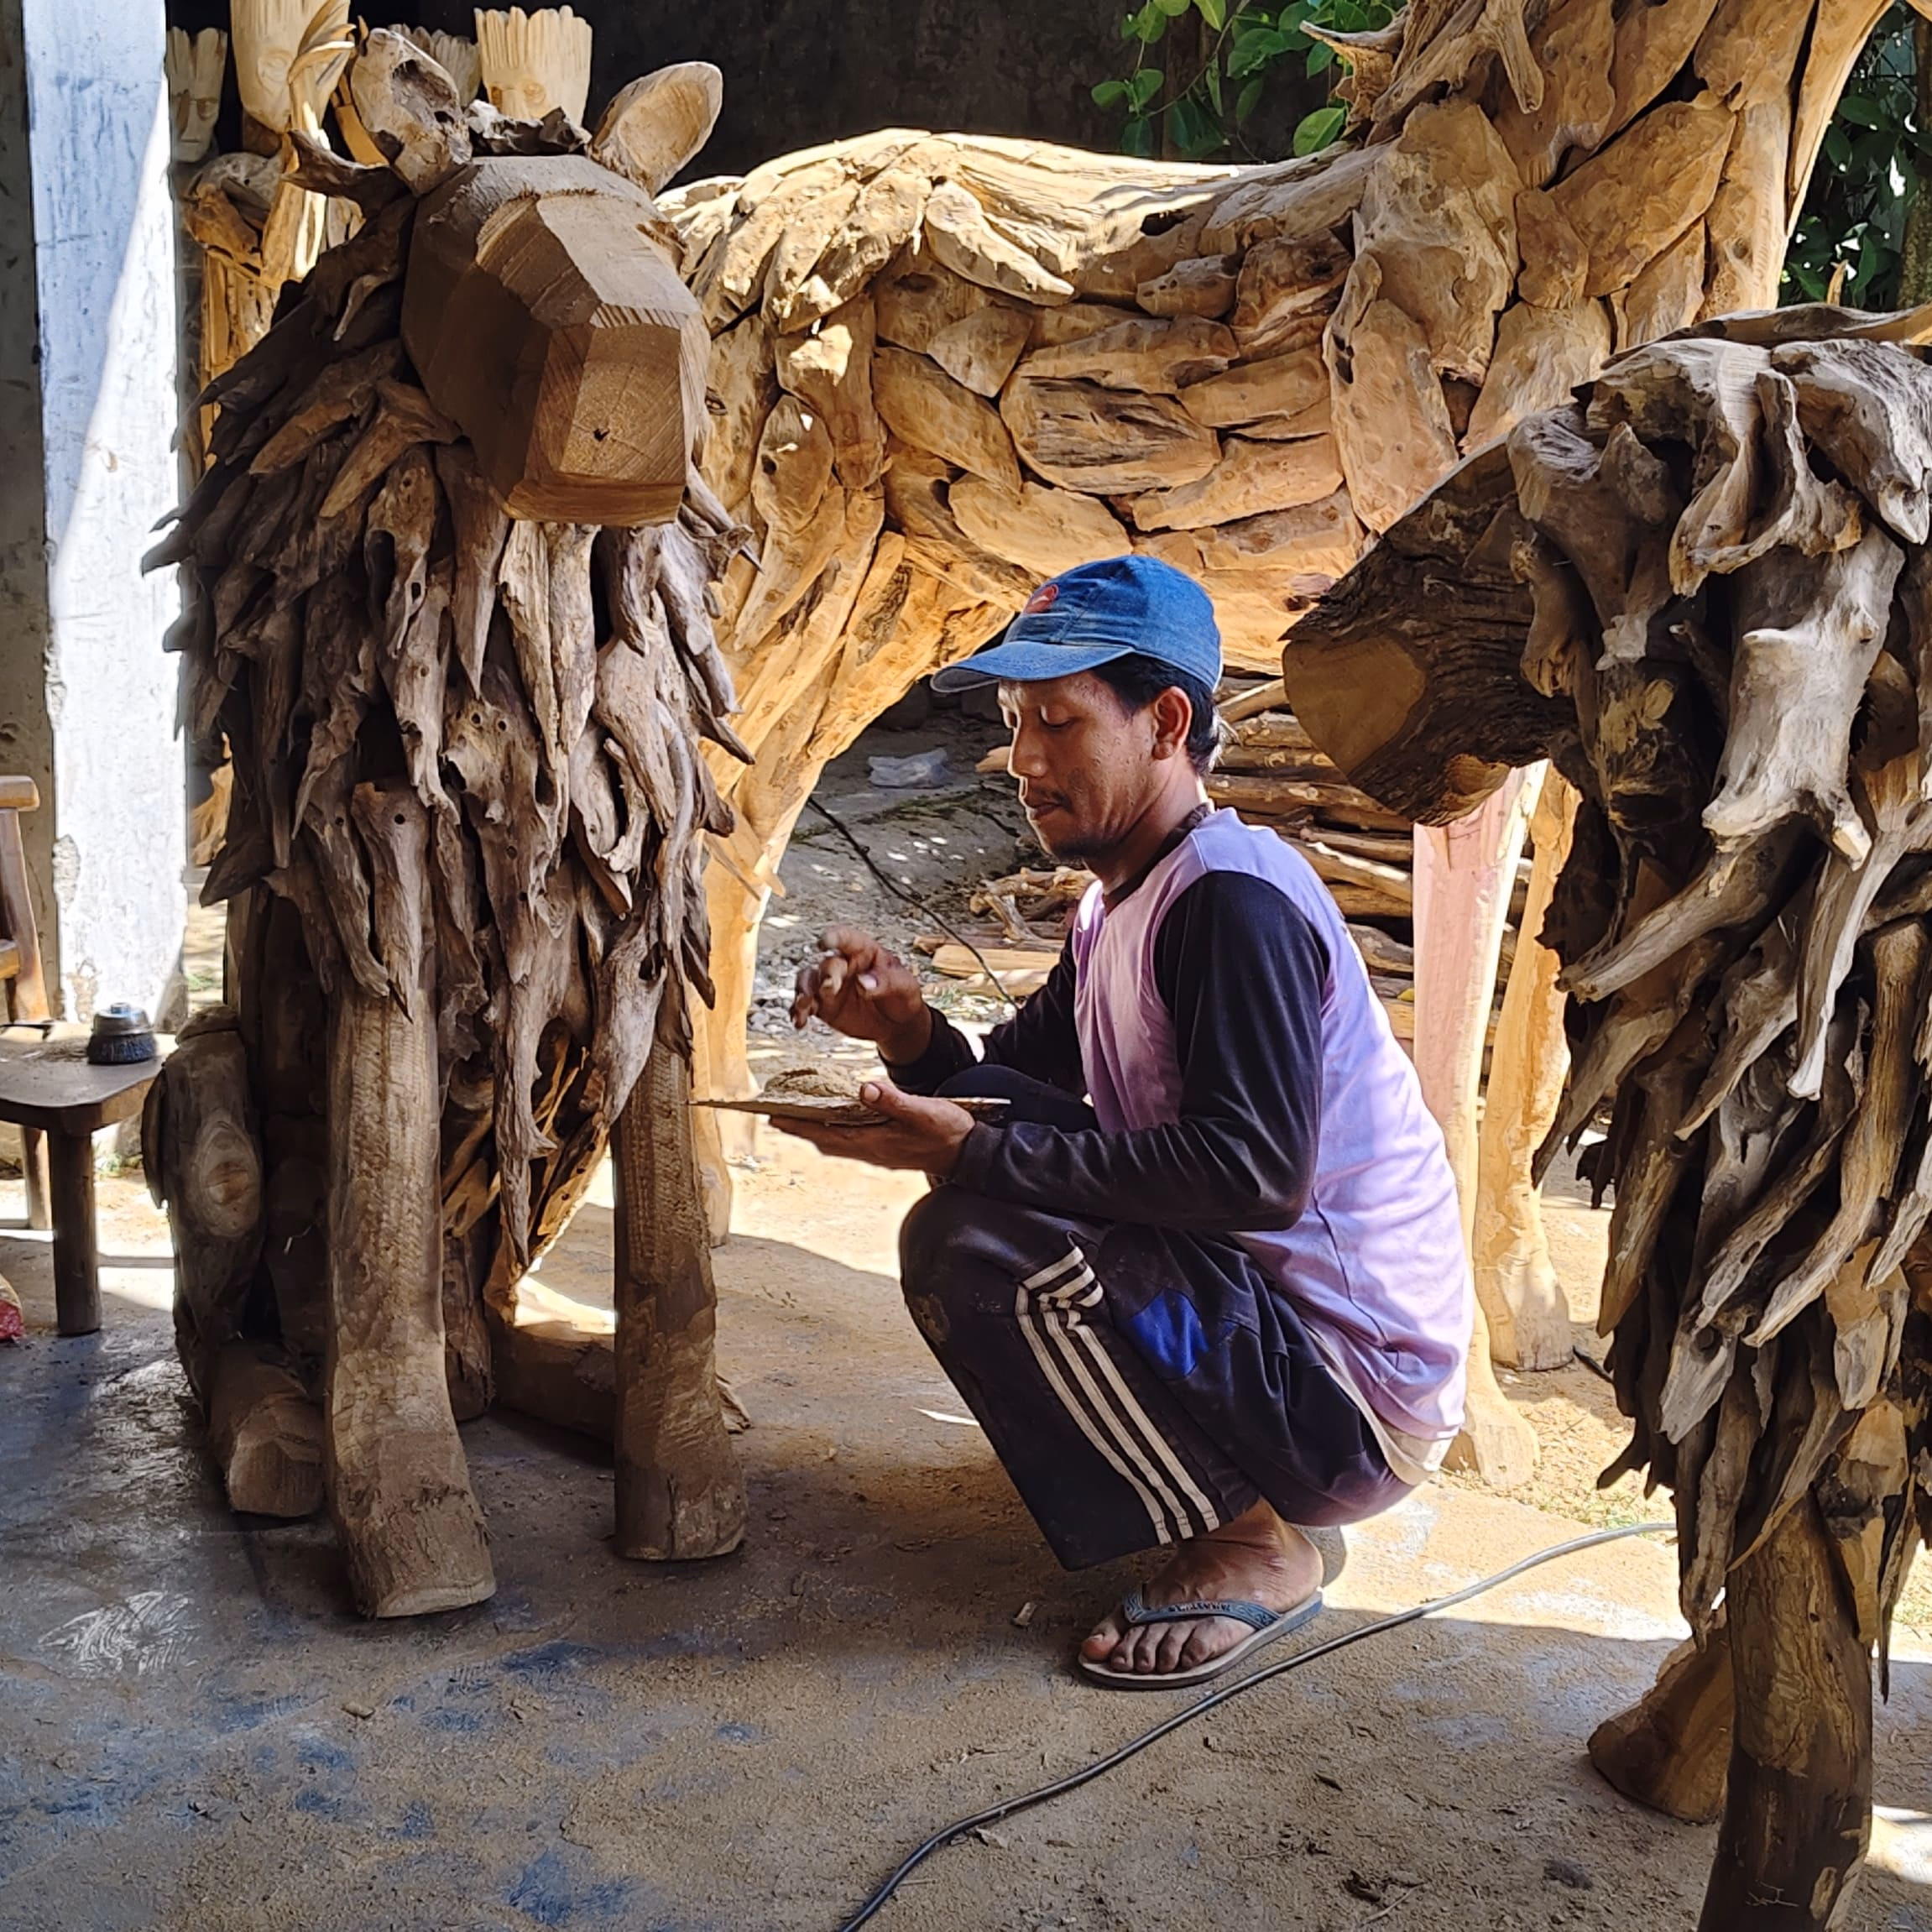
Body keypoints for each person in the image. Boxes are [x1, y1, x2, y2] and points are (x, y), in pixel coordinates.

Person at [780, 556, 1471, 1689]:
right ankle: (1217, 1485)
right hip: (1271, 1348)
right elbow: (998, 1093)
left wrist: (973, 1148)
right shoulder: (1121, 906)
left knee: (972, 1235)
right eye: (1015, 723)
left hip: (1347, 1398)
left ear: (1166, 723)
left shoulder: (1230, 901)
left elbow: (1251, 1177)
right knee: (989, 1174)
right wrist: (904, 1030)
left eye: (1059, 721)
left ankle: (1252, 1545)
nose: (1024, 761)